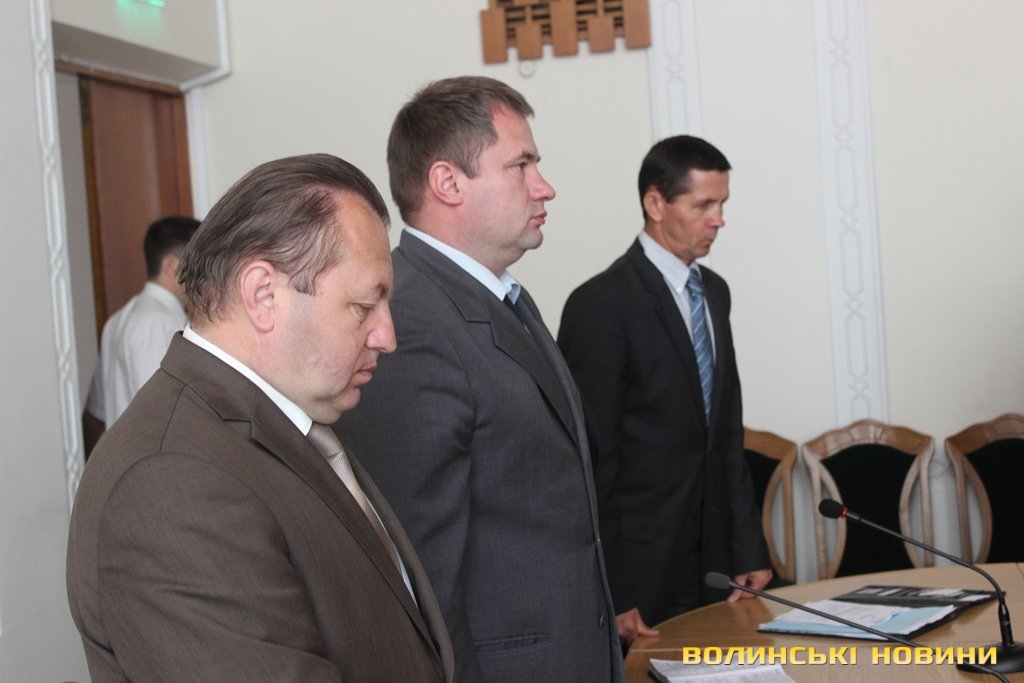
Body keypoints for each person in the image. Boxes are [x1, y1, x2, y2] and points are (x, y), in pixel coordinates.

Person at [67, 154, 455, 682]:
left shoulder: (288, 420)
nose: (387, 336)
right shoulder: (172, 479)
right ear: (263, 296)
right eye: (365, 307)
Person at [334, 76, 626, 682]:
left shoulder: (501, 297)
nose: (544, 186)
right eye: (521, 165)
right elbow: (421, 572)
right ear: (448, 183)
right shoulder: (410, 321)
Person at [558, 135, 772, 628]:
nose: (718, 219)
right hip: (641, 572)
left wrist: (748, 548)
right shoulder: (600, 305)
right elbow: (592, 461)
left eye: (722, 204)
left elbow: (726, 436)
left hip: (718, 564)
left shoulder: (715, 292)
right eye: (703, 205)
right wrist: (612, 590)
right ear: (655, 204)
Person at [84, 215, 200, 434]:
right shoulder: (158, 323)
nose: (203, 274)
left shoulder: (118, 320)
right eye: (197, 262)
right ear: (170, 267)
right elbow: (162, 414)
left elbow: (97, 412)